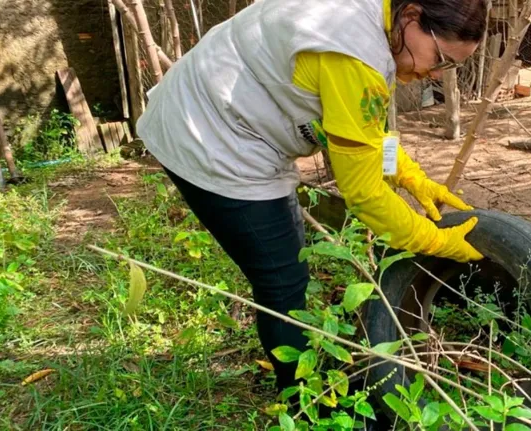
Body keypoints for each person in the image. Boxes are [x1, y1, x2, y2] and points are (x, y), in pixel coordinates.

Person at [136, 0, 488, 391]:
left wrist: (410, 176)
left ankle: (308, 378)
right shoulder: (356, 52)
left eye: (448, 67)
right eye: (439, 57)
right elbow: (365, 195)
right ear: (412, 16)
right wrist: (435, 241)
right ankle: (306, 403)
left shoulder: (378, 21)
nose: (433, 73)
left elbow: (362, 129)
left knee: (286, 268)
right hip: (211, 133)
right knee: (282, 280)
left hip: (221, 109)